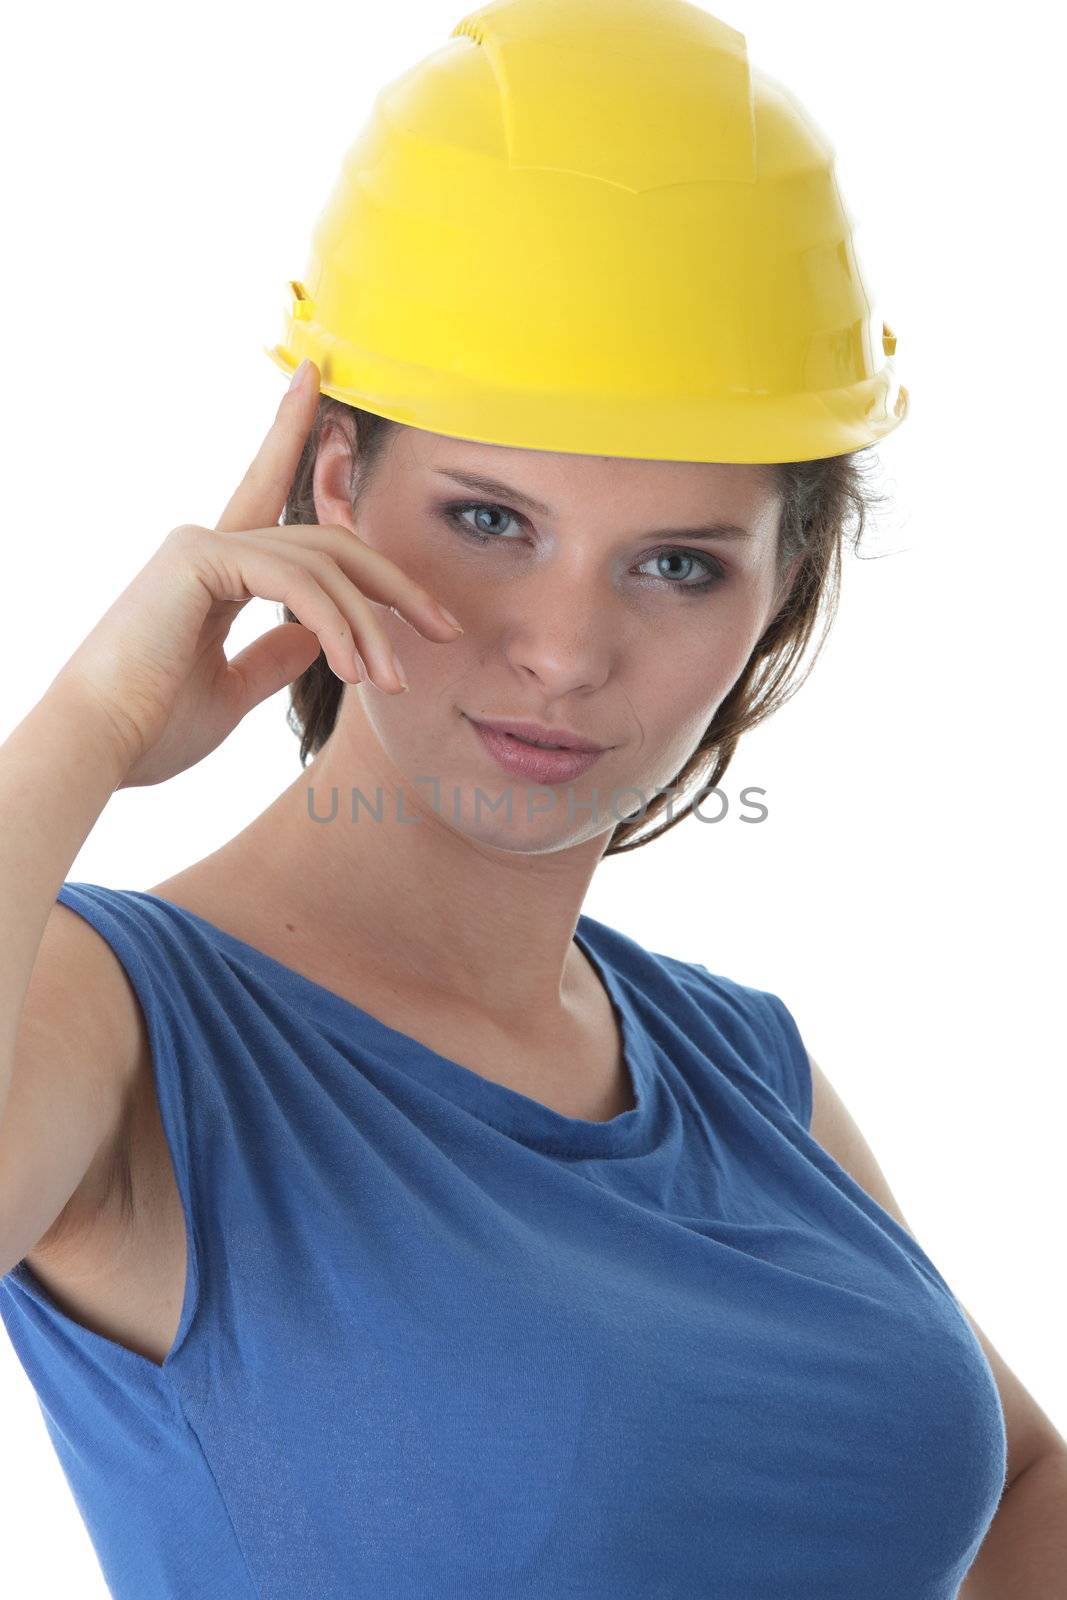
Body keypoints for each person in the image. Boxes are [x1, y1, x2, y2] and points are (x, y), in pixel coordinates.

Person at [0, 1, 1062, 1596]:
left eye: (680, 564)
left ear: (777, 597)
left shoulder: (740, 1065)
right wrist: (85, 726)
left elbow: (1023, 1483)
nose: (567, 652)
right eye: (491, 518)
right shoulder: (119, 1025)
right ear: (336, 489)